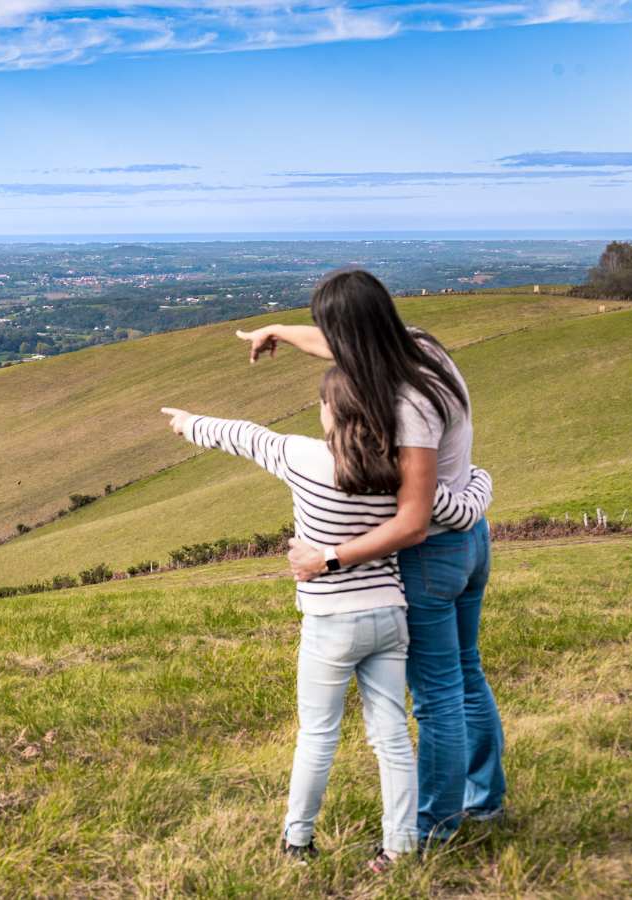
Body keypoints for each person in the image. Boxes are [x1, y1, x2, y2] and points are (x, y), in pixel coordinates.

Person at [160, 363, 492, 871]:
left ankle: (298, 841)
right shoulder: (398, 469)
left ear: (328, 412)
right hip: (388, 615)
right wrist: (481, 481)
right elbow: (453, 511)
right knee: (393, 737)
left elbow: (246, 437)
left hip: (331, 620)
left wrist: (189, 423)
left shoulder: (302, 456)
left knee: (318, 732)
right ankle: (401, 845)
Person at [236, 269, 506, 847]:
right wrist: (279, 330)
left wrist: (327, 558)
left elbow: (411, 523)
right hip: (470, 541)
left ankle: (432, 829)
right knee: (466, 673)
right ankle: (484, 802)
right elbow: (340, 344)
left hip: (434, 553)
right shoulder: (423, 347)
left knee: (437, 697)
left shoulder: (406, 405)